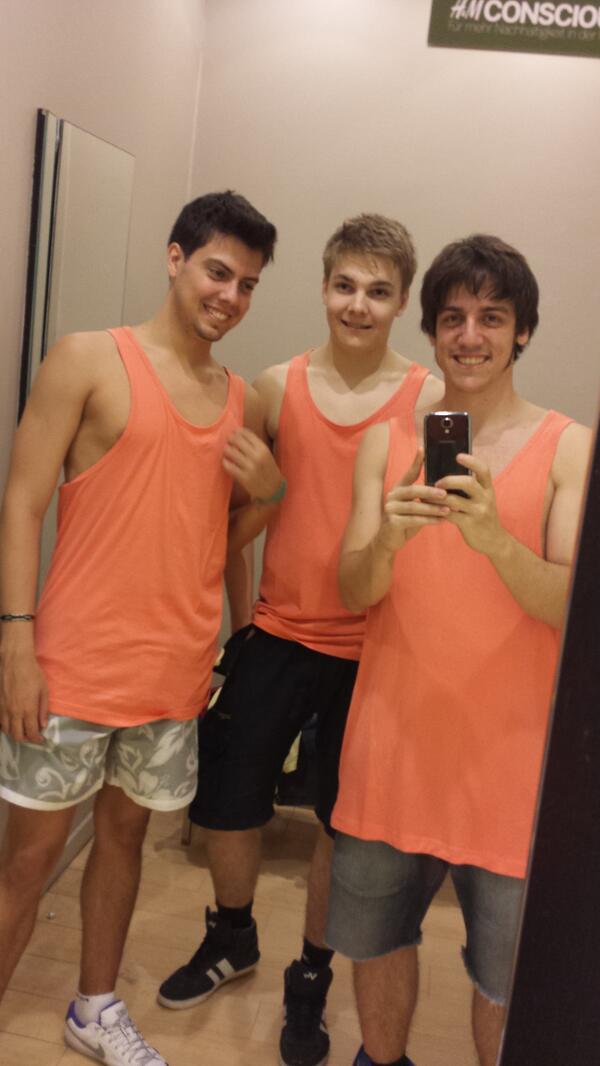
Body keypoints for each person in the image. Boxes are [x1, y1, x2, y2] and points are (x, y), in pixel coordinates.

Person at [0, 191, 282, 1066]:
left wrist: (270, 495)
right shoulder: (88, 359)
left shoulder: (239, 399)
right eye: (218, 272)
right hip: (72, 664)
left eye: (248, 284)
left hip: (173, 671)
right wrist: (15, 639)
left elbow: (212, 535)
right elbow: (23, 500)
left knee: (125, 838)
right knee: (29, 858)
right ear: (175, 258)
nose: (230, 296)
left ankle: (94, 1006)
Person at [157, 213, 443, 1066]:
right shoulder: (274, 387)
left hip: (377, 645)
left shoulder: (430, 398)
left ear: (401, 303)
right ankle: (232, 934)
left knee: (340, 823)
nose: (358, 305)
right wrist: (237, 623)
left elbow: (444, 535)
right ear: (323, 288)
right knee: (228, 800)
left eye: (378, 292)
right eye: (345, 285)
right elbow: (235, 519)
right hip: (279, 631)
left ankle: (311, 976)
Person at [326, 235, 591, 1066]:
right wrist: (390, 540)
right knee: (375, 944)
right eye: (453, 318)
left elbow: (570, 608)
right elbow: (354, 590)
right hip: (391, 751)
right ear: (432, 330)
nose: (469, 336)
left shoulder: (570, 447)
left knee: (506, 978)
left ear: (522, 332)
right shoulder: (386, 443)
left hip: (512, 770)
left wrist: (494, 541)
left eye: (492, 317)